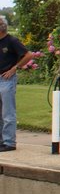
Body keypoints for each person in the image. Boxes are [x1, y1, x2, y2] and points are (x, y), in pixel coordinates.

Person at [0, 16, 32, 151]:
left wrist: (15, 68)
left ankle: (9, 142)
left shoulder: (12, 41)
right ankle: (2, 140)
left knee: (8, 112)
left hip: (6, 79)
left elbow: (28, 55)